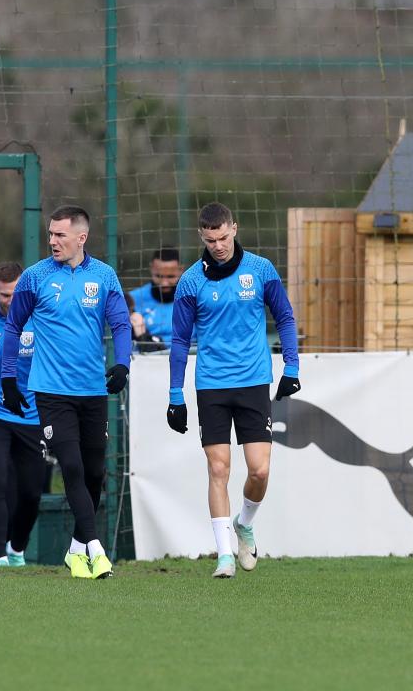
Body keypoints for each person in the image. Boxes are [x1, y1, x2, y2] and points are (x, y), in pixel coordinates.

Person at [167, 202, 301, 579]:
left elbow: (285, 317)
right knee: (218, 468)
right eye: (211, 240)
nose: (219, 245)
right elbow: (179, 341)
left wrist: (292, 367)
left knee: (259, 471)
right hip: (211, 385)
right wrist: (175, 395)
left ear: (235, 229)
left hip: (254, 382)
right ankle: (224, 555)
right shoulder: (191, 281)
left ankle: (245, 524)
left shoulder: (260, 270)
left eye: (224, 237)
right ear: (202, 237)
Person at [1, 205, 131, 579]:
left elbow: (121, 324)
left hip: (92, 391)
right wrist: (9, 379)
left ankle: (75, 550)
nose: (53, 240)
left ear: (81, 237)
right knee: (71, 466)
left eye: (60, 234)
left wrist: (122, 364)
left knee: (94, 475)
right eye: (50, 234)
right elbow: (13, 328)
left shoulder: (104, 276)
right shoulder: (35, 277)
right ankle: (96, 551)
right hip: (51, 391)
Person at [0, 261, 46, 567]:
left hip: (31, 415)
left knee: (31, 492)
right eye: (3, 295)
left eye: (15, 294)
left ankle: (16, 548)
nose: (9, 301)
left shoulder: (42, 317)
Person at [127, 248, 184, 346]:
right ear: (151, 268)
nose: (164, 283)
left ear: (180, 270)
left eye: (170, 277)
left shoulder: (193, 298)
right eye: (159, 276)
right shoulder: (133, 299)